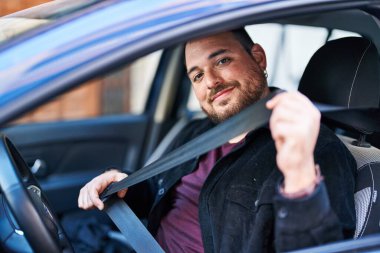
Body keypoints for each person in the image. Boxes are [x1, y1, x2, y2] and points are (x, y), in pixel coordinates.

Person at [78, 29, 356, 252]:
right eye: (197, 75)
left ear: (258, 58)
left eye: (222, 61)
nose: (210, 81)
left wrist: (299, 178)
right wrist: (124, 184)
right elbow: (158, 191)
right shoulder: (197, 133)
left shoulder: (311, 147)